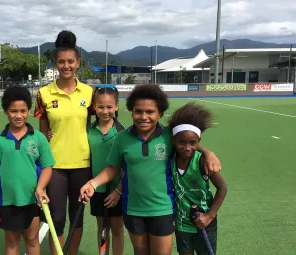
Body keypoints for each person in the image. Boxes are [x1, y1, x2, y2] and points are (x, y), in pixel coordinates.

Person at [79, 84, 222, 255]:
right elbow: (113, 167)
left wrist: (208, 152)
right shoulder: (122, 137)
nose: (143, 117)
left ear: (160, 113)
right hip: (133, 209)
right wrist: (93, 184)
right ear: (131, 112)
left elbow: (187, 145)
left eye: (150, 112)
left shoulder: (168, 136)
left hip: (163, 209)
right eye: (138, 111)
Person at [33, 30, 94, 255]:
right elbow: (42, 132)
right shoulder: (43, 93)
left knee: (77, 219)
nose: (66, 65)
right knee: (55, 219)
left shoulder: (89, 93)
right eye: (61, 62)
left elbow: (93, 127)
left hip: (82, 163)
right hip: (54, 166)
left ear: (78, 63)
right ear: (55, 63)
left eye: (70, 61)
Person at [0, 85, 55, 255]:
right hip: (7, 201)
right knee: (12, 241)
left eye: (23, 111)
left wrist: (40, 188)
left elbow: (47, 167)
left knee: (32, 240)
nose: (18, 115)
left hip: (32, 200)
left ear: (29, 111)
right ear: (5, 111)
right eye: (13, 111)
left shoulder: (38, 138)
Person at [167, 102, 227, 255]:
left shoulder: (201, 161)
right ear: (173, 141)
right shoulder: (170, 157)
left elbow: (222, 188)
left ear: (198, 141)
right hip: (182, 223)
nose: (187, 147)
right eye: (182, 142)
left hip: (205, 222)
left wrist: (209, 216)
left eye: (192, 143)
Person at [88, 86, 125, 255]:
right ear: (94, 107)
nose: (105, 111)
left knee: (117, 228)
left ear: (116, 106)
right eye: (100, 107)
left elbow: (127, 166)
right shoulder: (88, 131)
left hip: (117, 190)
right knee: (102, 227)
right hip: (96, 188)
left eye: (109, 107)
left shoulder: (123, 133)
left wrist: (118, 191)